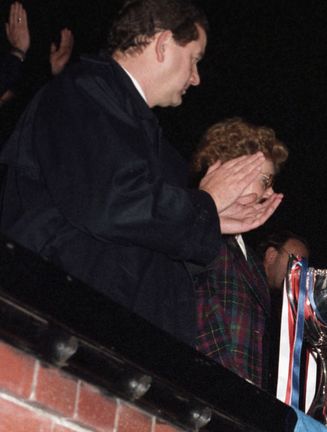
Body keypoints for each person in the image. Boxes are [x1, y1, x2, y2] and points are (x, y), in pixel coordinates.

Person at [0, 0, 272, 345]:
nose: (196, 78)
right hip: (59, 336)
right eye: (195, 59)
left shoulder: (148, 135)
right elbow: (110, 203)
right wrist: (205, 204)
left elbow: (160, 240)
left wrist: (211, 217)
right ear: (162, 44)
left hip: (116, 344)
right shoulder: (81, 91)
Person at [192, 118, 285, 389]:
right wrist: (230, 381)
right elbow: (200, 308)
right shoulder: (199, 230)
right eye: (265, 180)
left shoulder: (249, 254)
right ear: (234, 171)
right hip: (212, 389)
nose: (271, 191)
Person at [255, 230, 310, 391]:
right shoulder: (246, 282)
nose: (299, 273)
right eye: (295, 262)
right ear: (271, 255)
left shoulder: (278, 304)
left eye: (303, 268)